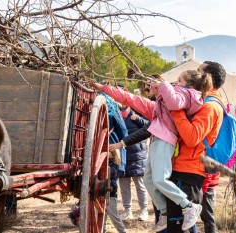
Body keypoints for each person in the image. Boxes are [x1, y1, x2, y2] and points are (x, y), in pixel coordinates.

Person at [88, 70, 207, 232]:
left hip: (166, 139)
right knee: (149, 181)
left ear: (190, 84)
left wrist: (163, 85)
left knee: (160, 179)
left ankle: (188, 206)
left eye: (179, 80)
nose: (175, 82)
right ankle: (164, 213)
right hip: (158, 139)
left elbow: (174, 103)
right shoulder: (161, 106)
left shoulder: (187, 94)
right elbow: (131, 99)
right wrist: (104, 88)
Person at [169, 61, 227, 233]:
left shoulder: (210, 106)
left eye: (199, 71)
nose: (195, 73)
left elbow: (192, 137)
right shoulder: (204, 101)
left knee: (180, 226)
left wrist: (176, 110)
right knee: (181, 224)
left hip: (189, 170)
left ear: (207, 77)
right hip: (185, 167)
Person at [117, 87, 149, 221]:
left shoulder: (138, 111)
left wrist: (139, 120)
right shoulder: (115, 114)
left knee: (140, 185)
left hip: (137, 155)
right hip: (122, 155)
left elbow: (150, 126)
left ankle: (144, 210)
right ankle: (127, 210)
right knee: (124, 186)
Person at [101, 91, 128, 233]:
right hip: (113, 156)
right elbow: (124, 134)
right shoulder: (114, 113)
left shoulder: (98, 112)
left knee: (105, 196)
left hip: (104, 157)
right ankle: (108, 229)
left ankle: (119, 230)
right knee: (108, 194)